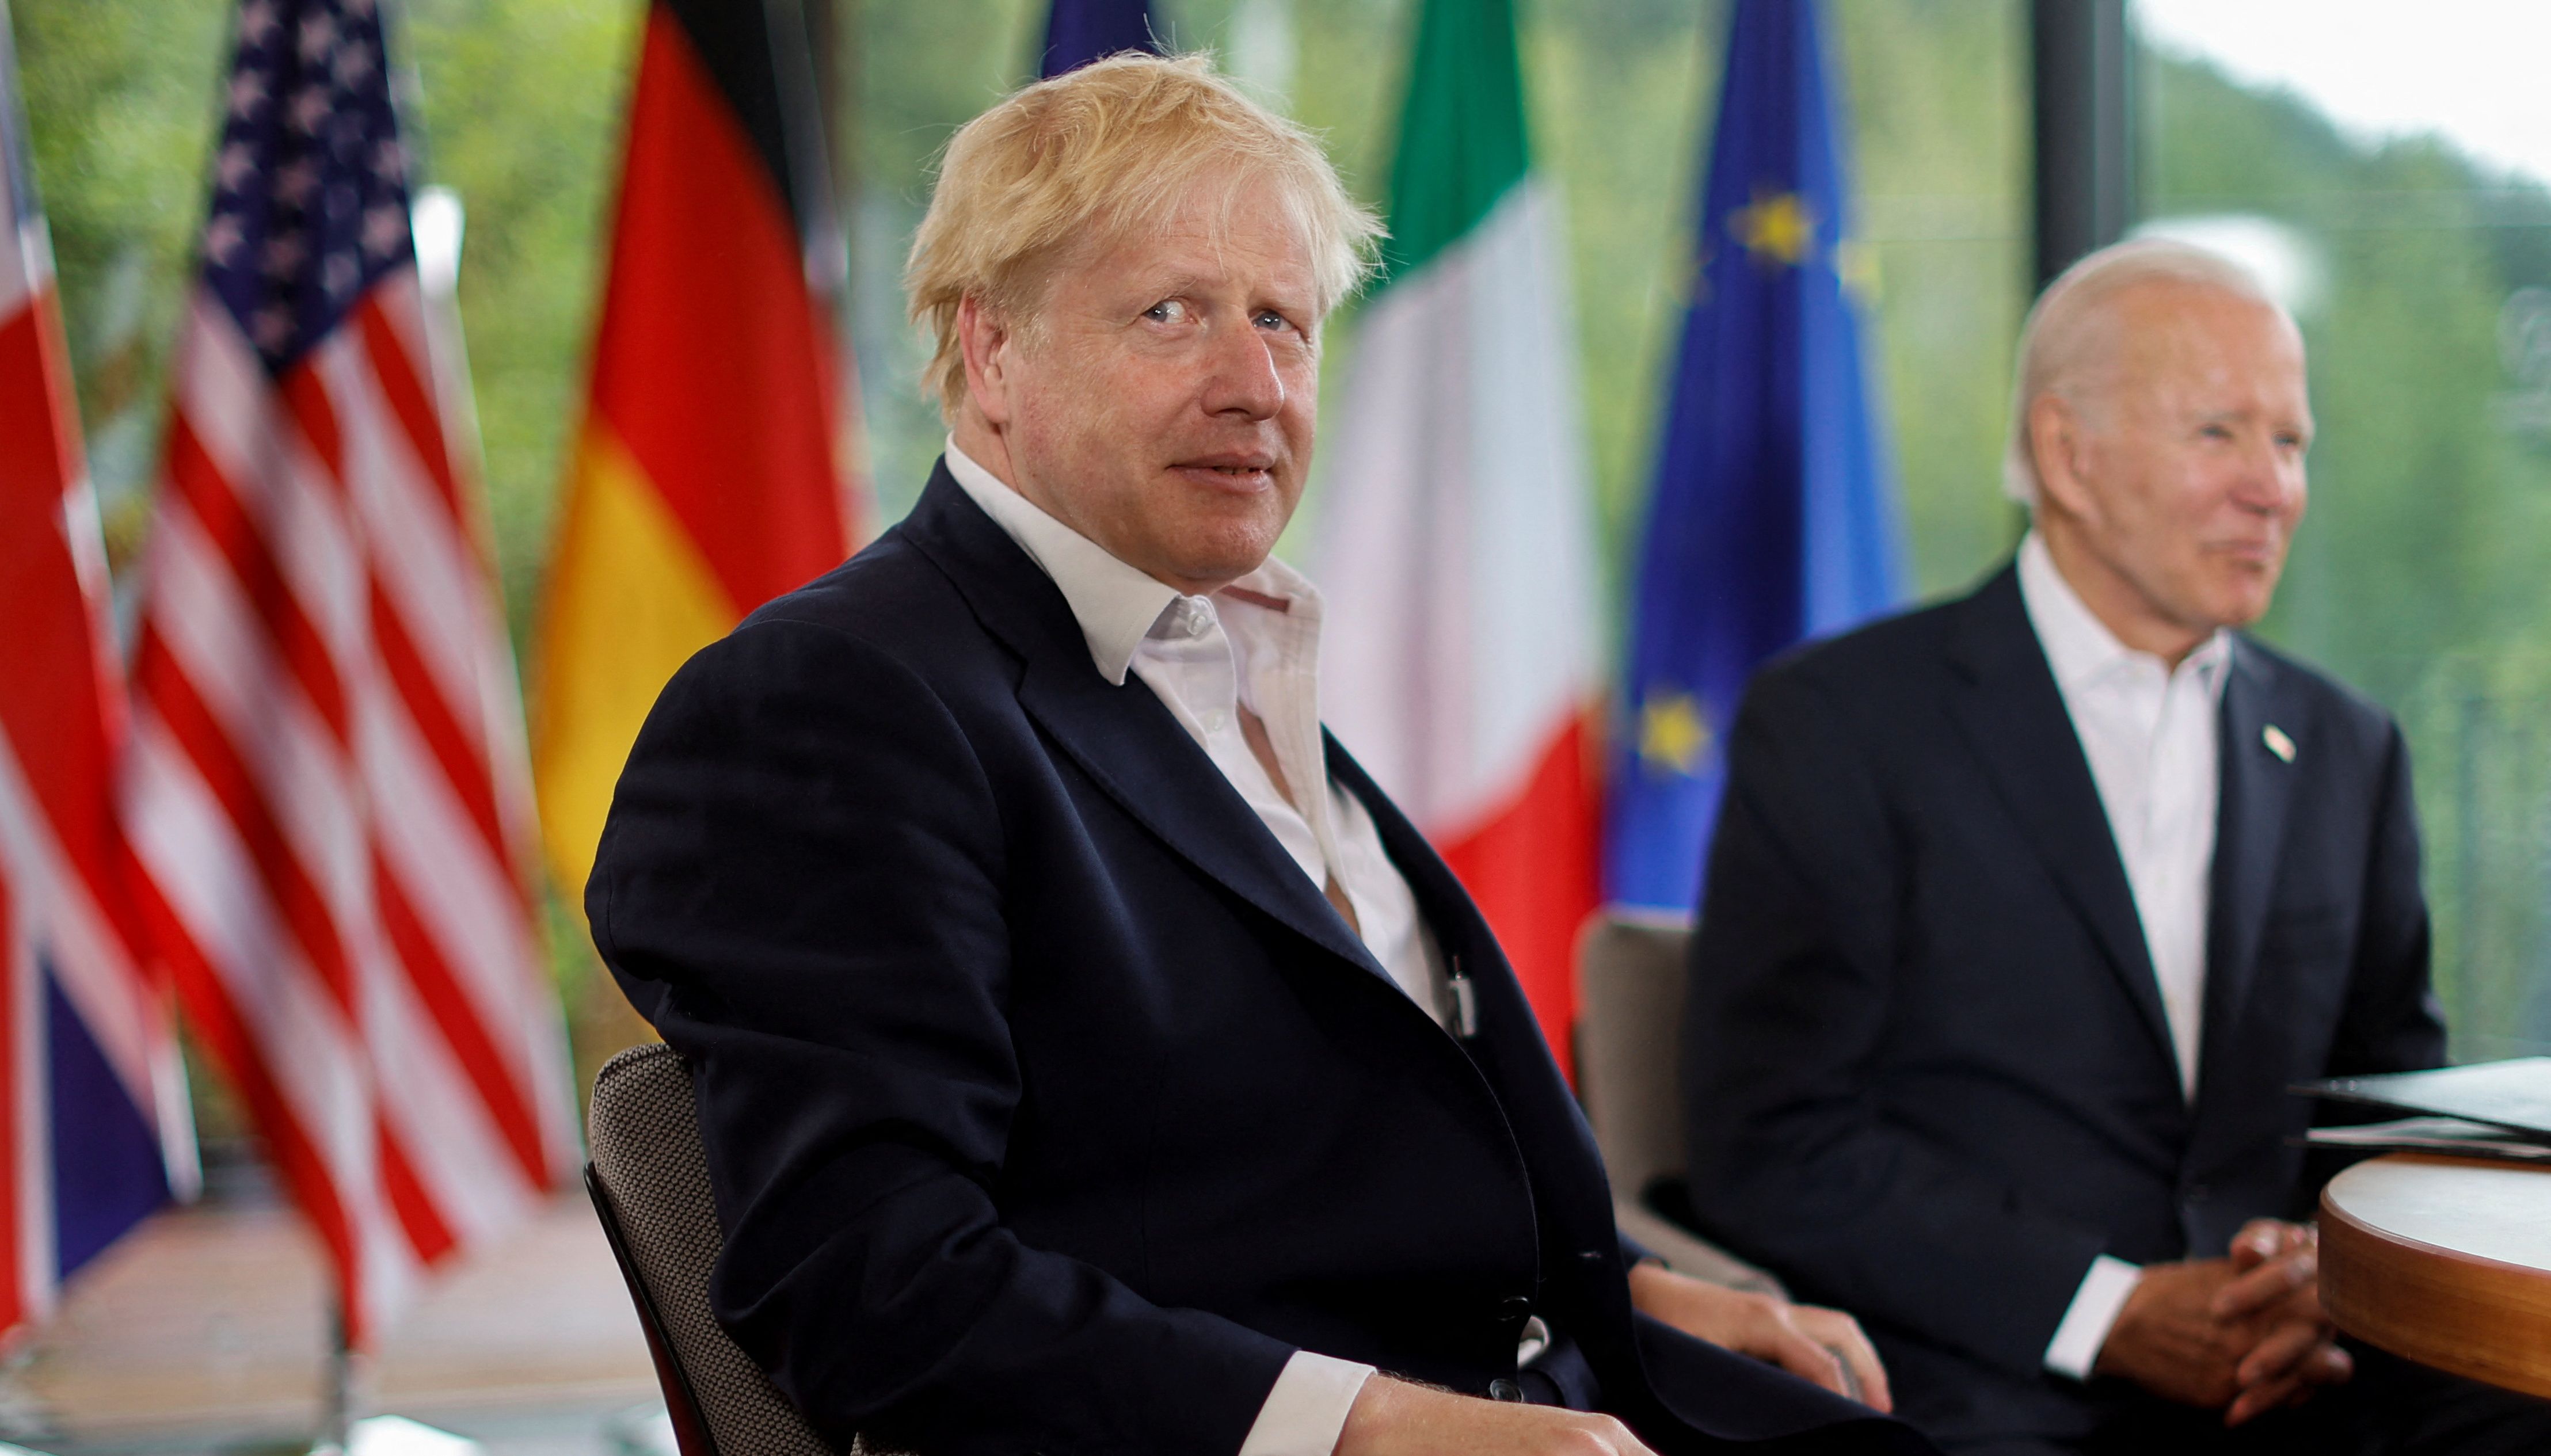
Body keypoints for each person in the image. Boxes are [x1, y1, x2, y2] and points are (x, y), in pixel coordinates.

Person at [589, 53, 1929, 1456]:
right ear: (990, 351)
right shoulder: (831, 700)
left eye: (1283, 322)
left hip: (1561, 1383)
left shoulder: (1218, 651)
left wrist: (1620, 1294)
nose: (1254, 384)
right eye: (1170, 314)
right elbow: (876, 1291)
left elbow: (1298, 1158)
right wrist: (1374, 1427)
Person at [1676, 238, 2551, 1454]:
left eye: (2288, 441)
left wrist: (2313, 1271)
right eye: (2219, 435)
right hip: (1993, 1375)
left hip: (2313, 1367)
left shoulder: (2348, 748)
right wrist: (2107, 1308)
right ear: (2065, 455)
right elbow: (1769, 1137)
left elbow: (2384, 1102)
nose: (2273, 487)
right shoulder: (1837, 724)